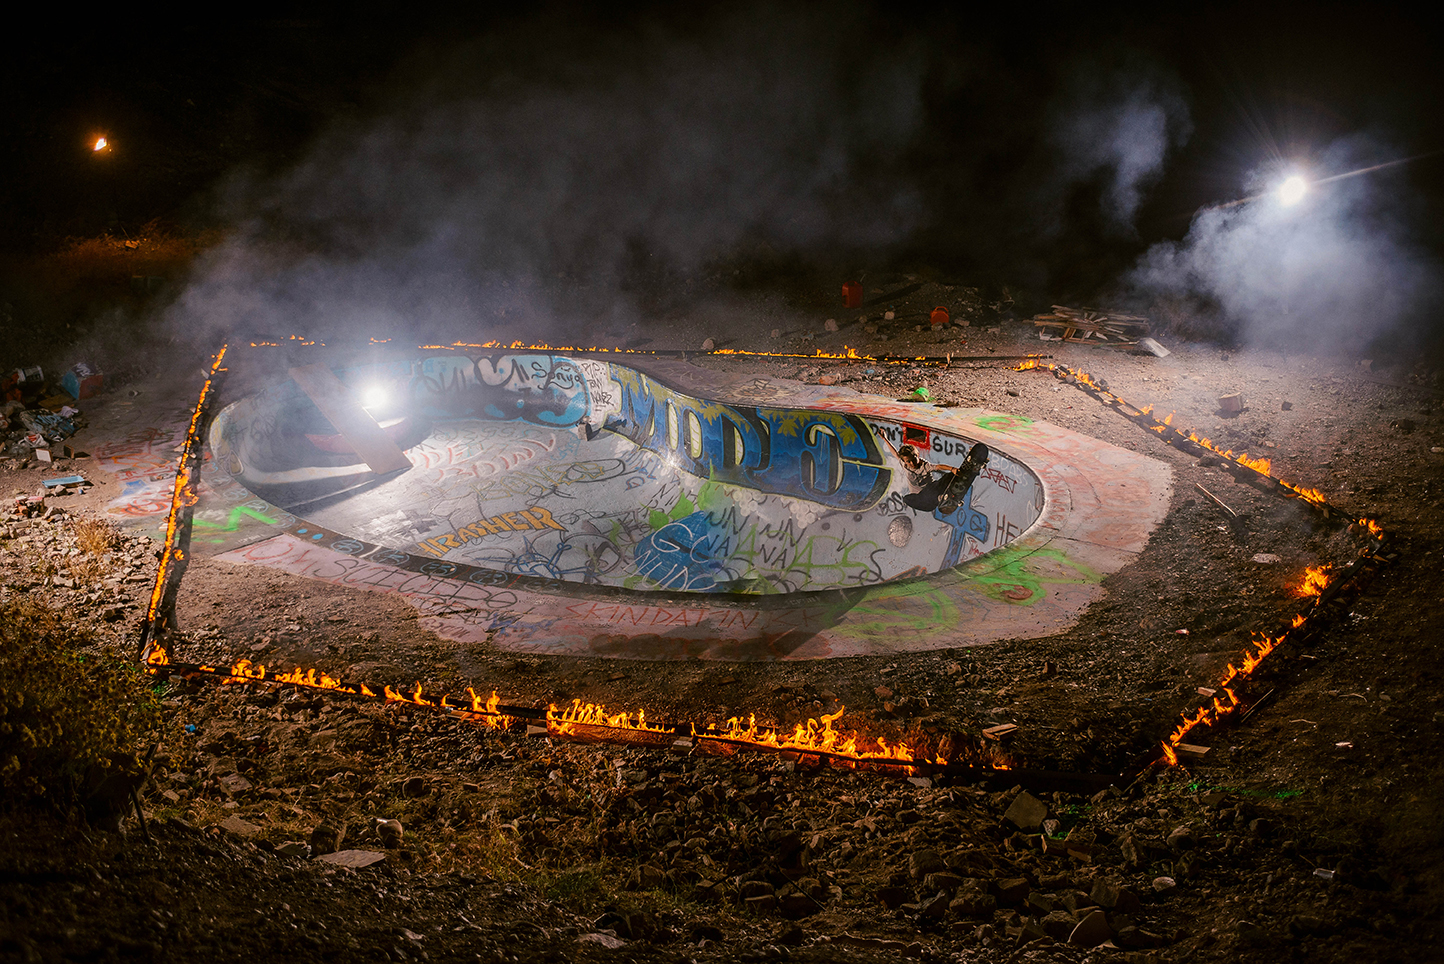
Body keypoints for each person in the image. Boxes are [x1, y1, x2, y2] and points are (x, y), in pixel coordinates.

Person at [890, 440, 990, 515]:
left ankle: (972, 465)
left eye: (914, 459)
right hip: (924, 501)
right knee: (906, 499)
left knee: (948, 476)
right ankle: (941, 498)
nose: (912, 463)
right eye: (908, 461)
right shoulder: (904, 464)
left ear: (917, 455)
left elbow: (937, 467)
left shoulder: (925, 465)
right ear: (904, 461)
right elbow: (895, 453)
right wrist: (884, 438)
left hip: (932, 491)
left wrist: (952, 469)